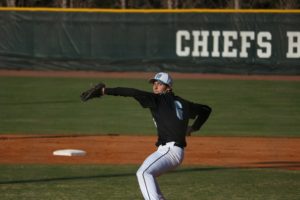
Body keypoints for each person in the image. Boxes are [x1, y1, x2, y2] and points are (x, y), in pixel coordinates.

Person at [80, 72, 212, 200]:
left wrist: (104, 91)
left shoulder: (157, 99)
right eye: (154, 83)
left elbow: (132, 92)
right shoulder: (183, 103)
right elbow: (206, 110)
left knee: (143, 173)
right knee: (147, 175)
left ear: (168, 87)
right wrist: (194, 128)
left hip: (170, 151)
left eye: (160, 84)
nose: (155, 86)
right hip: (172, 151)